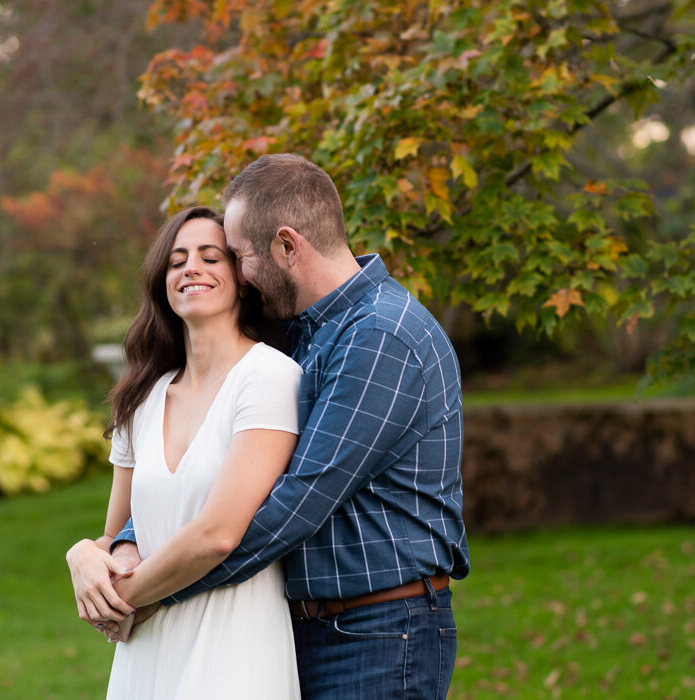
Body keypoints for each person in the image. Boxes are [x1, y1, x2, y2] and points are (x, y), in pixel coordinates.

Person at [75, 153, 470, 698]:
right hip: (303, 625)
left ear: (287, 247)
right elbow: (219, 483)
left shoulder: (381, 336)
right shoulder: (300, 335)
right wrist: (122, 544)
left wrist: (140, 595)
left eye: (238, 256)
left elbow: (286, 510)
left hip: (378, 630)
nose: (237, 273)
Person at [65, 205, 303, 698]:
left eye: (210, 257)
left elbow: (218, 534)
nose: (191, 268)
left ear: (241, 278)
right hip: (146, 650)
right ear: (162, 283)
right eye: (176, 261)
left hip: (234, 642)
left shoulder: (270, 377)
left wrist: (122, 599)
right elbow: (118, 537)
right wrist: (84, 555)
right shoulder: (140, 399)